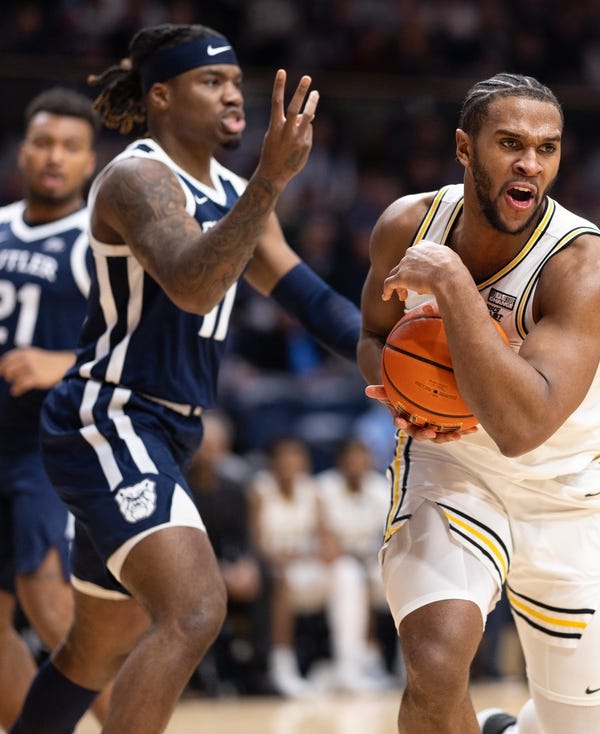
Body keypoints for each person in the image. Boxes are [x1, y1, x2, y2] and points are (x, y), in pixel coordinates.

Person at [12, 23, 361, 734]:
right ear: (162, 97)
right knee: (196, 608)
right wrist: (270, 180)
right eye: (212, 82)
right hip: (110, 419)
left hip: (168, 430)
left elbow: (315, 304)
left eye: (236, 82)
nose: (234, 95)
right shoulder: (135, 178)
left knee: (92, 650)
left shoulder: (235, 192)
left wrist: (409, 358)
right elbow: (191, 285)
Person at [356, 72, 600, 734]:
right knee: (436, 662)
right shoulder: (408, 224)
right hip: (453, 470)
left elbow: (522, 426)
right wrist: (398, 392)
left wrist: (450, 282)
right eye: (510, 143)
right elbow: (370, 335)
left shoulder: (584, 268)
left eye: (548, 148)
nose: (530, 164)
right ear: (464, 148)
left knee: (574, 723)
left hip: (566, 490)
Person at [0, 87, 112, 729]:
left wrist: (56, 364)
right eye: (43, 143)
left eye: (70, 147)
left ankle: (128, 723)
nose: (54, 157)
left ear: (89, 161)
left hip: (49, 444)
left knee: (45, 591)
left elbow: (133, 347)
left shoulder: (96, 240)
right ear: (23, 152)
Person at [250, 435, 378, 696]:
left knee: (348, 571)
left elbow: (326, 541)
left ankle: (349, 665)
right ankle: (283, 669)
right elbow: (258, 544)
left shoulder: (312, 492)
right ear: (272, 462)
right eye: (284, 457)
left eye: (296, 457)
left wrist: (325, 550)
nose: (290, 463)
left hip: (305, 568)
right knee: (282, 577)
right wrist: (287, 558)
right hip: (275, 572)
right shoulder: (260, 490)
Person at [186, 410, 277, 697]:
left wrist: (248, 565)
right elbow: (185, 544)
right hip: (191, 570)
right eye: (204, 444)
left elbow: (245, 537)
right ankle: (200, 677)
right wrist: (218, 572)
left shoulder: (235, 489)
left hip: (227, 568)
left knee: (267, 578)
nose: (210, 451)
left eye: (216, 445)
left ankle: (259, 671)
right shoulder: (180, 487)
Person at [313, 437, 396, 685]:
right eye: (350, 459)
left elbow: (390, 536)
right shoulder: (323, 488)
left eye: (361, 459)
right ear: (340, 462)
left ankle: (398, 665)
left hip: (372, 561)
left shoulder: (380, 488)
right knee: (348, 575)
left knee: (402, 576)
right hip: (329, 565)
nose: (356, 465)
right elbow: (326, 543)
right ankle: (348, 664)